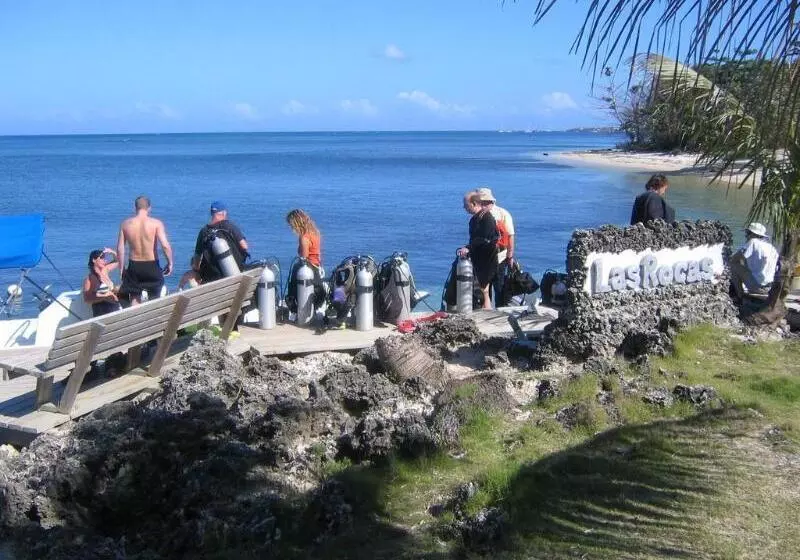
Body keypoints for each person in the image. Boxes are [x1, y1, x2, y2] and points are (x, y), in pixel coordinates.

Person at [117, 195, 173, 305]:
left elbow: (120, 249)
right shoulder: (156, 223)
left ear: (135, 208)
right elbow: (165, 245)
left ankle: (135, 320)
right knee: (155, 297)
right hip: (152, 265)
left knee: (134, 297)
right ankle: (154, 321)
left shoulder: (126, 224)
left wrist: (121, 268)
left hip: (134, 265)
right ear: (149, 208)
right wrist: (170, 263)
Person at [458, 191, 498, 310]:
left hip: (487, 259)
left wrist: (468, 248)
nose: (464, 208)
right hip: (479, 258)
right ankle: (484, 312)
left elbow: (485, 238)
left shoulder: (487, 218)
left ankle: (486, 314)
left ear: (474, 203)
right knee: (482, 290)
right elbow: (476, 239)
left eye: (466, 205)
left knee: (483, 289)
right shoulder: (475, 219)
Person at [475, 187, 515, 305]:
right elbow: (511, 235)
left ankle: (491, 312)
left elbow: (510, 235)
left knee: (493, 287)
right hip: (496, 256)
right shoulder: (502, 213)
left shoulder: (494, 214)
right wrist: (510, 255)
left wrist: (510, 255)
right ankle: (497, 311)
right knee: (496, 287)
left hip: (497, 257)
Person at [194, 201, 249, 283]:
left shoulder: (203, 231)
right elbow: (244, 246)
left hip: (212, 279)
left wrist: (196, 271)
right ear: (224, 213)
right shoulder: (230, 226)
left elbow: (197, 256)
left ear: (212, 214)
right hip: (235, 274)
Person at [285, 209, 325, 317]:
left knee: (293, 288)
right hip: (316, 266)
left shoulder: (304, 237)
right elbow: (318, 253)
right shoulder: (315, 232)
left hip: (307, 268)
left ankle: (294, 310)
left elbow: (304, 256)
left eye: (291, 225)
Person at [729, 222, 780, 302]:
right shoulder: (771, 247)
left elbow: (734, 258)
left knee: (734, 266)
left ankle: (740, 296)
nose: (746, 235)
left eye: (747, 233)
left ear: (752, 234)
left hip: (758, 287)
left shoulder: (753, 242)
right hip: (771, 287)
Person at [82, 248, 121, 317]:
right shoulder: (90, 278)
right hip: (102, 310)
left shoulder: (105, 270)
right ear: (94, 260)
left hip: (114, 307)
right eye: (102, 258)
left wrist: (112, 252)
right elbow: (87, 299)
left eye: (104, 258)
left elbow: (118, 261)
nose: (105, 260)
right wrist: (104, 297)